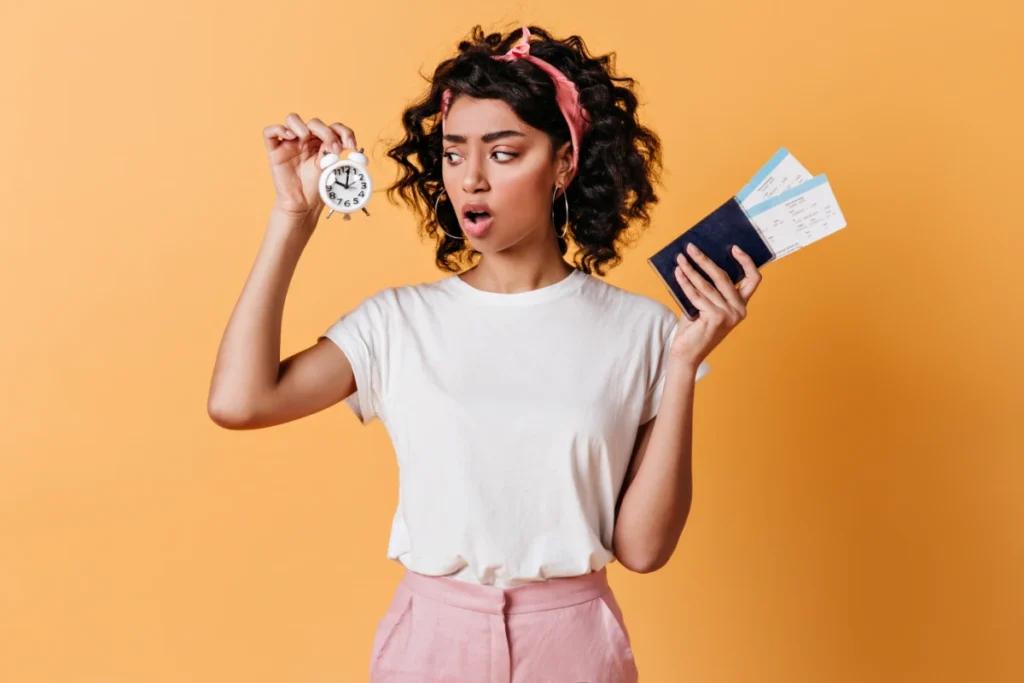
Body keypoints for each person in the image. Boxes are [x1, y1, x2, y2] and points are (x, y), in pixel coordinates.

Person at [208, 23, 762, 683]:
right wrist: (292, 217)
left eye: (503, 153)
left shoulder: (642, 332)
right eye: (454, 151)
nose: (470, 179)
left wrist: (680, 368)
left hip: (574, 643)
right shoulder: (398, 322)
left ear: (564, 163)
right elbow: (239, 401)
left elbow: (643, 550)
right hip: (431, 641)